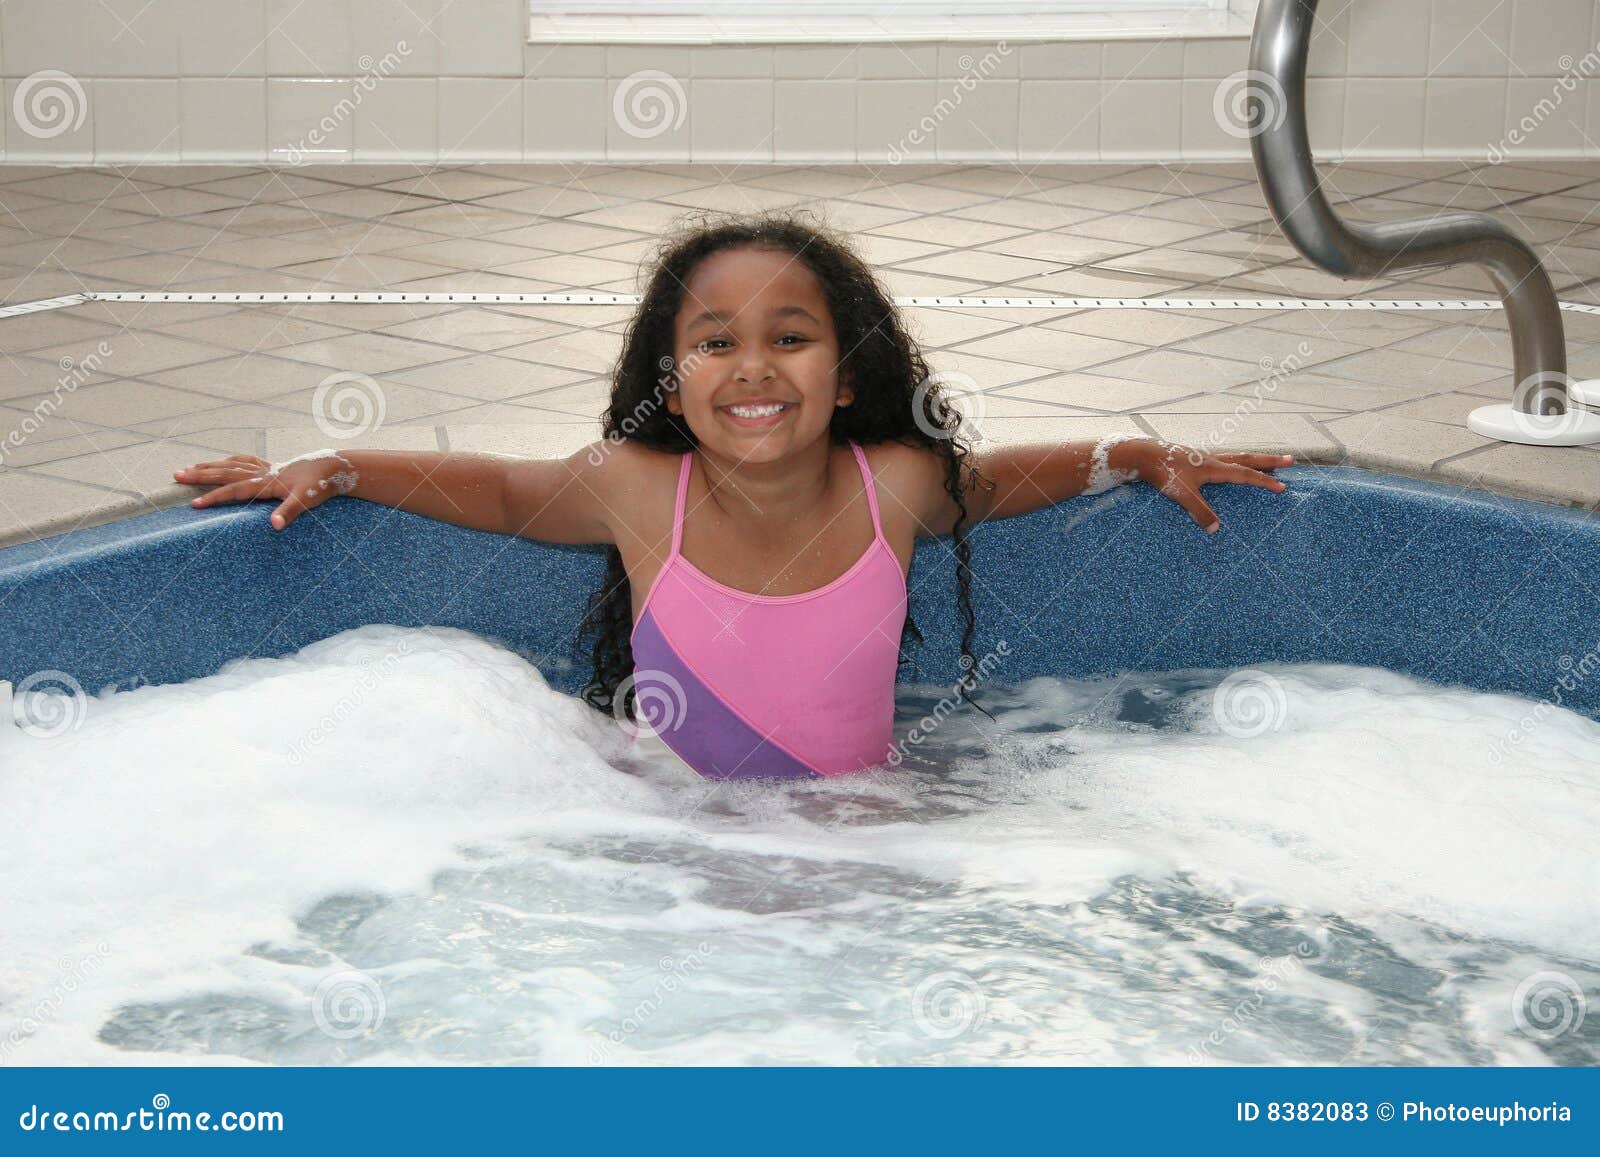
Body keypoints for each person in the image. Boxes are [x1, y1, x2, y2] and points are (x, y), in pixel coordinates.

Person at [174, 211, 1292, 782]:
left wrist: (1137, 451)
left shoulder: (894, 483)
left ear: (845, 372)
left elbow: (1003, 479)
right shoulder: (632, 486)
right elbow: (507, 489)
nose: (752, 368)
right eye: (716, 343)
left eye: (789, 339)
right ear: (673, 375)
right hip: (676, 838)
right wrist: (346, 464)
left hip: (868, 834)